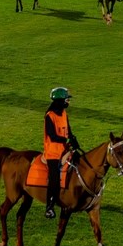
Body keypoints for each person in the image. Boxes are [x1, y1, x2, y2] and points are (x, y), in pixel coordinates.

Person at [42, 87, 81, 219]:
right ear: (59, 101)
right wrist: (67, 139)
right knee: (54, 178)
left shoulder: (64, 113)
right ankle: (49, 207)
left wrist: (73, 139)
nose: (68, 101)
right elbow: (52, 136)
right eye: (66, 99)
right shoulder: (49, 116)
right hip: (53, 153)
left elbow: (68, 131)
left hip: (64, 149)